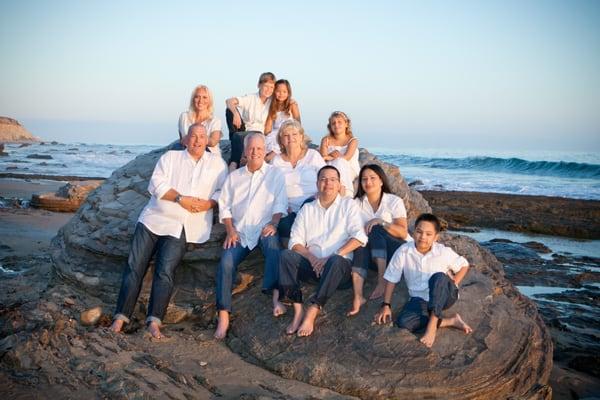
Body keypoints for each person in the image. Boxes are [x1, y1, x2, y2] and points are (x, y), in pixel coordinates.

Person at [110, 124, 227, 339]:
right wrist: (181, 198)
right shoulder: (170, 158)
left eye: (202, 137)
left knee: (165, 271)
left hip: (182, 225)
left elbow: (223, 191)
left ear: (207, 140)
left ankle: (154, 321)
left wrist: (209, 204)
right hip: (152, 218)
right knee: (134, 266)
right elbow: (156, 184)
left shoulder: (217, 164)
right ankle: (120, 317)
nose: (198, 140)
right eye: (193, 136)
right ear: (185, 139)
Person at [278, 165, 368, 337]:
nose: (328, 183)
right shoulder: (308, 208)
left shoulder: (348, 205)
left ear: (339, 184)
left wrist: (330, 257)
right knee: (286, 256)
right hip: (312, 267)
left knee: (336, 260)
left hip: (338, 270)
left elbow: (360, 237)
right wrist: (311, 258)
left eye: (333, 179)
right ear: (317, 183)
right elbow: (295, 241)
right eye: (324, 179)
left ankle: (313, 309)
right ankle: (297, 311)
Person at [215, 132, 288, 339]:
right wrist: (230, 230)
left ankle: (275, 297)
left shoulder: (275, 175)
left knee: (274, 248)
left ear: (264, 151)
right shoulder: (234, 177)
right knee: (226, 262)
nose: (255, 152)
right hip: (240, 231)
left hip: (264, 227)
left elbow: (280, 203)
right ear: (245, 152)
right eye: (251, 148)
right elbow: (225, 206)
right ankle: (223, 315)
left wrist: (274, 223)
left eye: (259, 148)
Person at [374, 213, 473, 348]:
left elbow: (464, 265)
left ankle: (432, 324)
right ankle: (450, 321)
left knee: (438, 277)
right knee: (404, 323)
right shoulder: (404, 251)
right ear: (414, 232)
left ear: (436, 237)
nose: (423, 237)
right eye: (419, 232)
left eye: (428, 234)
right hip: (419, 299)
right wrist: (386, 305)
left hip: (444, 296)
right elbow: (392, 278)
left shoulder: (442, 251)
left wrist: (454, 282)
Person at [347, 164, 411, 316]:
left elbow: (402, 232)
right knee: (360, 244)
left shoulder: (393, 201)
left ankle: (382, 280)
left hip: (396, 250)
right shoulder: (356, 203)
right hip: (373, 255)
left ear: (382, 181)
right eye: (364, 179)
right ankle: (358, 296)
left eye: (372, 178)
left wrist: (381, 222)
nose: (368, 182)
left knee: (376, 229)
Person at [270, 120, 325, 250]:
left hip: (311, 204)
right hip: (288, 208)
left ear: (301, 137)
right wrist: (282, 204)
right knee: (284, 223)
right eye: (286, 135)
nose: (291, 138)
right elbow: (271, 188)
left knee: (306, 212)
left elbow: (326, 177)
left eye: (294, 134)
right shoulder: (276, 160)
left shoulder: (313, 155)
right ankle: (297, 256)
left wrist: (320, 194)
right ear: (281, 140)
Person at [225, 72, 276, 170]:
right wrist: (235, 113)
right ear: (259, 85)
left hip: (258, 134)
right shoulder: (251, 98)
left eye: (271, 87)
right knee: (229, 111)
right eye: (266, 86)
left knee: (237, 136)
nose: (268, 90)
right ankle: (236, 158)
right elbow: (229, 101)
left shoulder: (272, 102)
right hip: (243, 130)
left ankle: (233, 162)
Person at [319, 111, 359, 197]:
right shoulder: (326, 140)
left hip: (349, 168)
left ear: (346, 124)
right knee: (335, 164)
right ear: (330, 127)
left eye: (339, 122)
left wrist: (331, 157)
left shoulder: (352, 140)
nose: (336, 125)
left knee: (340, 162)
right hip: (331, 168)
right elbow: (323, 158)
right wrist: (331, 157)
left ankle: (346, 193)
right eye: (333, 123)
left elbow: (347, 157)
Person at [178, 85, 222, 156]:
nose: (200, 101)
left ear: (209, 100)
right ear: (193, 99)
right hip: (188, 155)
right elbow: (182, 139)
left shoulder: (215, 120)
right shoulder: (184, 117)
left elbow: (213, 142)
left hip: (209, 155)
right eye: (197, 97)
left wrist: (194, 137)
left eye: (204, 97)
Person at [264, 79, 301, 161]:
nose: (281, 94)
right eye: (278, 91)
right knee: (267, 142)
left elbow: (298, 123)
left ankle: (267, 159)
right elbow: (268, 128)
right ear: (274, 92)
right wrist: (267, 136)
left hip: (288, 132)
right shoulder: (272, 106)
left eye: (284, 92)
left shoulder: (292, 105)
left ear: (288, 93)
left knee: (279, 145)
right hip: (275, 133)